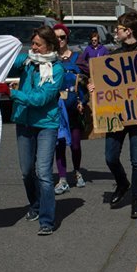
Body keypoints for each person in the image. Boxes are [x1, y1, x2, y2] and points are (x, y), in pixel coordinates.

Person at [0, 25, 64, 236]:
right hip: (24, 123)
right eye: (32, 43)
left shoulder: (57, 70)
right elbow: (5, 67)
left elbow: (41, 99)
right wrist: (5, 51)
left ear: (50, 46)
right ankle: (34, 205)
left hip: (46, 125)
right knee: (27, 171)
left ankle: (47, 219)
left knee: (43, 173)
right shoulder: (27, 62)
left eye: (38, 45)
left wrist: (13, 93)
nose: (33, 48)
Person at [90, 11, 137, 218]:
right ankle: (123, 183)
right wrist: (94, 88)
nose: (116, 30)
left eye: (119, 28)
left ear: (129, 31)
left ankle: (136, 201)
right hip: (116, 115)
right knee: (110, 157)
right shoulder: (113, 56)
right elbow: (105, 86)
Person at [51, 24, 87, 194]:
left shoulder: (77, 58)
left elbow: (87, 81)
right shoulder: (49, 59)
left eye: (62, 37)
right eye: (56, 37)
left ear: (67, 38)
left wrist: (84, 100)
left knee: (75, 145)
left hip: (73, 107)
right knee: (59, 144)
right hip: (57, 109)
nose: (59, 40)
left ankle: (78, 171)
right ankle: (62, 179)